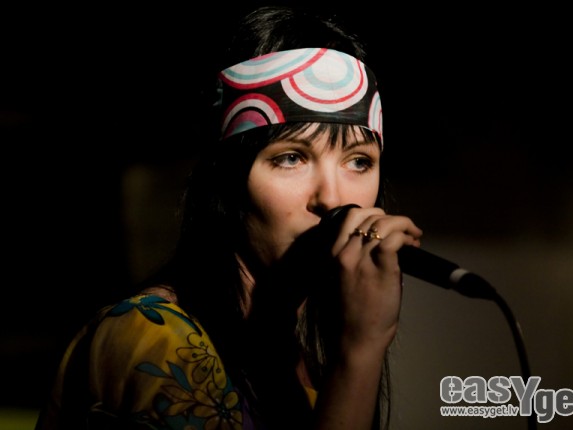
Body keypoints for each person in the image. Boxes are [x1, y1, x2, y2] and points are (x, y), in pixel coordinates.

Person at [35, 5, 422, 430]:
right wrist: (360, 353)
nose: (332, 199)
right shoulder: (153, 334)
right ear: (226, 179)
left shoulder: (299, 361)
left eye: (359, 161)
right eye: (291, 158)